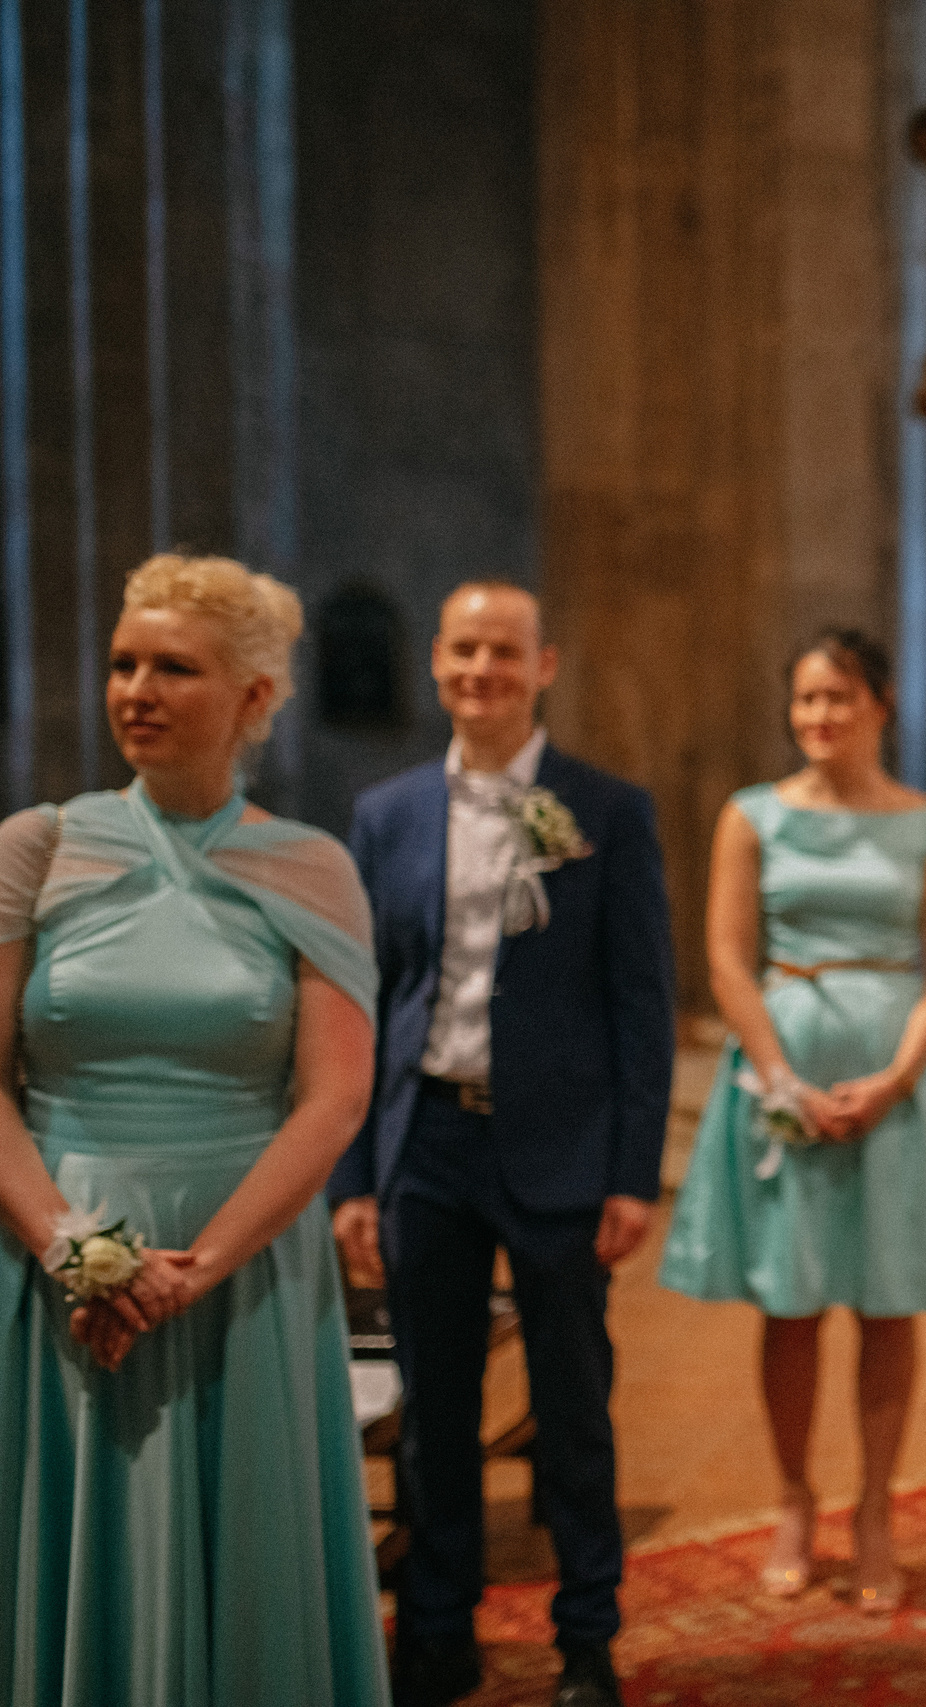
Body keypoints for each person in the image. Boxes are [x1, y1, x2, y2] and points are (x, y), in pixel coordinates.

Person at [0, 553, 388, 1703]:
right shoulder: (37, 847)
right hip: (51, 1250)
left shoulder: (312, 870)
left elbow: (335, 1098)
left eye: (175, 667)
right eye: (124, 664)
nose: (137, 689)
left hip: (245, 1266)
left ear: (255, 699)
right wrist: (70, 1247)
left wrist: (194, 1270)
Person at [328, 582, 676, 1707]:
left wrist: (632, 1171)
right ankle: (436, 1629)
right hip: (424, 1140)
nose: (482, 669)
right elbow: (367, 998)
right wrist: (354, 1177)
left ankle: (585, 1638)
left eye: (505, 651)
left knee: (573, 1406)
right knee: (435, 1409)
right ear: (436, 662)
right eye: (464, 649)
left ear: (546, 665)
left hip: (563, 1151)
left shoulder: (605, 810)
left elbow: (642, 1003)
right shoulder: (382, 817)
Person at [658, 628, 926, 1609]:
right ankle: (795, 1498)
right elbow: (727, 958)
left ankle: (879, 1508)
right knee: (791, 1298)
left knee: (886, 1298)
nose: (818, 718)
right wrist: (778, 1078)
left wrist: (896, 1076)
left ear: (881, 705)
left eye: (838, 699)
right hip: (783, 1074)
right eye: (804, 700)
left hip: (894, 1081)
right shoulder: (751, 815)